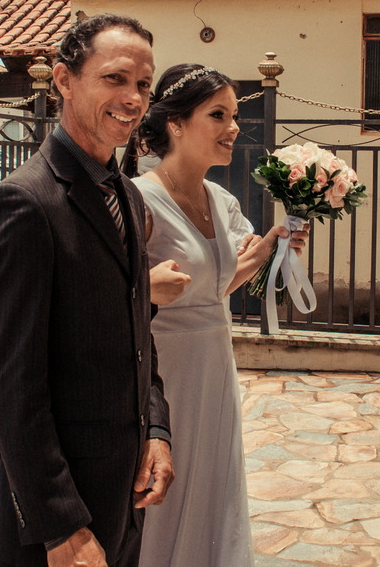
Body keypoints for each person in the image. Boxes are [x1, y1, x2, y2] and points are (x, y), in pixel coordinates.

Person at [0, 14, 175, 567]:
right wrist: (62, 525)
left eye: (142, 85)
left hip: (121, 494)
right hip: (54, 518)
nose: (133, 99)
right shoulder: (24, 204)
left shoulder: (128, 197)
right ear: (63, 79)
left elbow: (139, 332)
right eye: (115, 79)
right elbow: (10, 384)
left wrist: (156, 428)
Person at [129, 64, 307, 567]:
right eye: (218, 115)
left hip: (215, 364)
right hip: (166, 374)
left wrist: (275, 244)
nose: (234, 128)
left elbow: (215, 285)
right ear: (176, 125)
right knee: (168, 487)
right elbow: (105, 296)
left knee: (213, 482)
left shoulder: (222, 200)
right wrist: (146, 288)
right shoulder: (140, 201)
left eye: (235, 115)